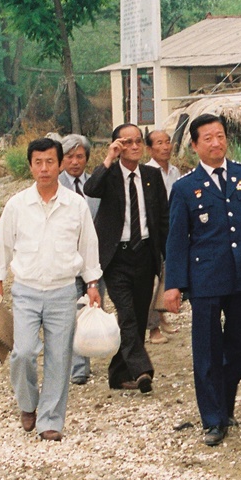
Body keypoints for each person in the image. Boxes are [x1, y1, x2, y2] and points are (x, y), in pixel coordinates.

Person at [164, 114, 241, 447]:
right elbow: (176, 240)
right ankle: (214, 419)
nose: (216, 143)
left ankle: (221, 393)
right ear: (194, 146)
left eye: (220, 136)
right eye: (208, 138)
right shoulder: (184, 188)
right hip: (204, 279)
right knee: (206, 349)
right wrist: (173, 284)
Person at [0, 137, 102, 441]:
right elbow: (3, 242)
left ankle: (50, 420)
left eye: (50, 161)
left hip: (64, 290)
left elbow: (88, 245)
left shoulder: (75, 205)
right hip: (26, 290)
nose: (44, 168)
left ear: (60, 163)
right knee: (23, 353)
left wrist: (92, 283)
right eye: (38, 162)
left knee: (59, 358)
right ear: (30, 166)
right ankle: (28, 404)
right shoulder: (17, 205)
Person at [84, 124, 169, 393]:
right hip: (116, 257)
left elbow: (163, 219)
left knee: (140, 315)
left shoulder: (152, 176)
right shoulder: (108, 175)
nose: (133, 147)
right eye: (126, 142)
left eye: (137, 142)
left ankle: (118, 374)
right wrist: (108, 158)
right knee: (127, 314)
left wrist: (170, 258)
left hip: (144, 253)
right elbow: (90, 189)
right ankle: (141, 368)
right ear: (117, 146)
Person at [59, 133, 102, 385]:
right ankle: (78, 368)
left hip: (93, 259)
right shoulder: (55, 185)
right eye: (69, 157)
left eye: (80, 156)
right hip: (66, 260)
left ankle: (88, 356)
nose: (75, 162)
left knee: (91, 310)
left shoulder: (95, 185)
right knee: (72, 313)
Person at [144, 129, 182, 345]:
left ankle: (161, 316)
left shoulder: (174, 171)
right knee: (153, 280)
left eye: (167, 142)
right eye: (159, 143)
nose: (166, 146)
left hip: (172, 228)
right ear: (150, 149)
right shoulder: (147, 172)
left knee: (168, 276)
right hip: (154, 232)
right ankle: (152, 328)